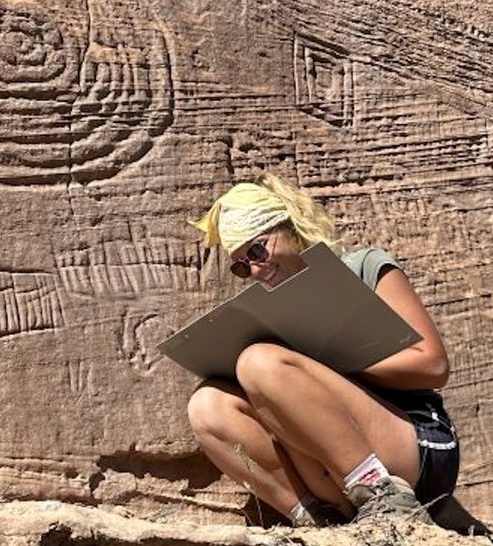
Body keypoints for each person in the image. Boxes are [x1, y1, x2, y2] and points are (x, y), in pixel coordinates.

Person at [185, 173, 459, 527]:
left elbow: (434, 366)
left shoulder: (365, 267)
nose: (254, 269)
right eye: (242, 265)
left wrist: (329, 363)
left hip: (417, 449)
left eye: (257, 250)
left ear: (292, 229)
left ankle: (385, 498)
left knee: (260, 362)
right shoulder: (269, 313)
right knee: (207, 405)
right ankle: (318, 519)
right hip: (332, 471)